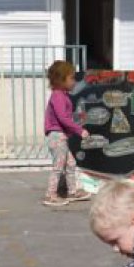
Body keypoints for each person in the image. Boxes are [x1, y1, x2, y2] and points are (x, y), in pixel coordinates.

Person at [42, 60, 91, 207]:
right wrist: (79, 130)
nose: (74, 81)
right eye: (71, 78)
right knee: (59, 166)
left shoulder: (62, 95)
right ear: (60, 79)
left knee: (70, 163)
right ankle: (50, 195)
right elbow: (63, 118)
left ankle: (72, 191)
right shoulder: (58, 96)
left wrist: (76, 121)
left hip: (60, 136)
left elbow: (65, 117)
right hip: (57, 136)